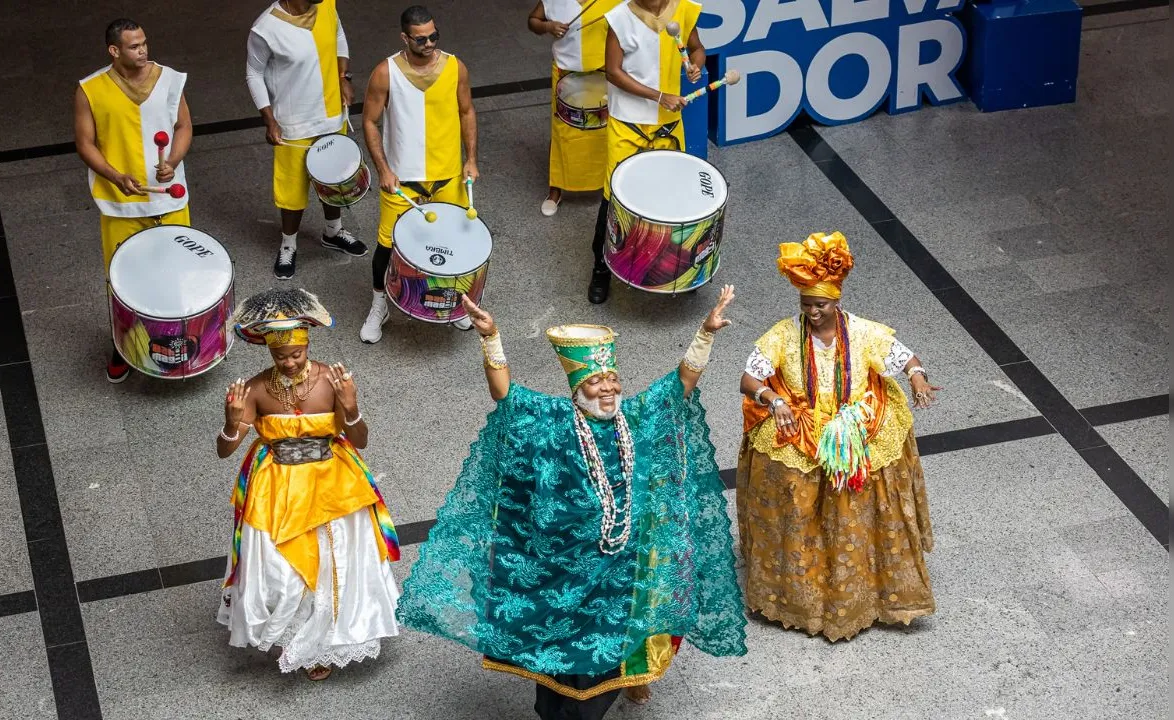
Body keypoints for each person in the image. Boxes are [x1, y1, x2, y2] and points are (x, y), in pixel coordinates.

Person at [398, 286, 747, 718]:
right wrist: (491, 337)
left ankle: (621, 685)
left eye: (612, 382)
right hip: (562, 568)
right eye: (596, 383)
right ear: (577, 389)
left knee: (618, 648)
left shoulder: (635, 416)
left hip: (625, 567)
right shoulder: (553, 421)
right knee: (563, 669)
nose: (607, 391)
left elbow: (680, 385)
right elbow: (506, 396)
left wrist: (706, 333)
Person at [737, 232, 941, 641]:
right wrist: (773, 399)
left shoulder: (864, 333)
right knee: (797, 507)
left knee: (857, 505)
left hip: (856, 425)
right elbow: (749, 376)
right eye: (806, 304)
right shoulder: (781, 335)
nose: (812, 312)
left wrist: (917, 377)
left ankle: (868, 594)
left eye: (820, 304)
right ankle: (797, 596)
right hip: (802, 425)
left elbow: (904, 357)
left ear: (837, 301)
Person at [216, 288, 401, 680]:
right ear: (269, 352)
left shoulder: (331, 380)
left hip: (333, 482)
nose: (288, 362)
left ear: (307, 344)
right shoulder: (253, 389)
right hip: (277, 488)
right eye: (280, 356)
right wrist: (232, 424)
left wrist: (350, 408)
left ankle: (322, 645)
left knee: (336, 564)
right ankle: (294, 637)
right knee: (282, 572)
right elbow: (224, 450)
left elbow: (361, 438)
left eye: (296, 354)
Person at [75, 18, 193, 383]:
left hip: (170, 201)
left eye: (144, 43)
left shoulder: (171, 79)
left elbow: (184, 127)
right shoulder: (90, 89)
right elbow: (85, 143)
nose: (143, 50)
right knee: (123, 281)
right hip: (120, 204)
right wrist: (114, 176)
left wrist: (171, 162)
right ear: (114, 50)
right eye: (133, 46)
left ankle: (175, 342)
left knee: (176, 274)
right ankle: (123, 345)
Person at [358, 5, 480, 343]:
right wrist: (383, 169)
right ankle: (379, 304)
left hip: (448, 176)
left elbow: (467, 111)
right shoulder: (385, 72)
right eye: (421, 39)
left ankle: (455, 302)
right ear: (405, 38)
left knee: (454, 241)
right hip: (402, 181)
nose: (429, 44)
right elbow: (369, 121)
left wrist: (471, 159)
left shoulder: (456, 67)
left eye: (434, 36)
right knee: (387, 245)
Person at [587, 0, 705, 304]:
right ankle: (600, 266)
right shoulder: (619, 19)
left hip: (666, 121)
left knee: (674, 192)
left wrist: (695, 65)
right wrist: (659, 95)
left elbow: (697, 47)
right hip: (628, 121)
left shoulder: (683, 10)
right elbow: (612, 72)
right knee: (613, 193)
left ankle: (678, 267)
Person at [246, 0, 366, 281]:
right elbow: (254, 73)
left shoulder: (327, 7)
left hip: (331, 112)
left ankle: (333, 232)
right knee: (292, 189)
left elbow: (338, 37)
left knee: (333, 178)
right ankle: (288, 244)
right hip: (293, 121)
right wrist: (269, 119)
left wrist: (343, 76)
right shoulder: (265, 28)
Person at [527, 0, 623, 216]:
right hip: (566, 71)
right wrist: (547, 27)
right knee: (563, 133)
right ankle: (555, 190)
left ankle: (610, 188)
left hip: (603, 71)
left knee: (605, 132)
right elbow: (532, 21)